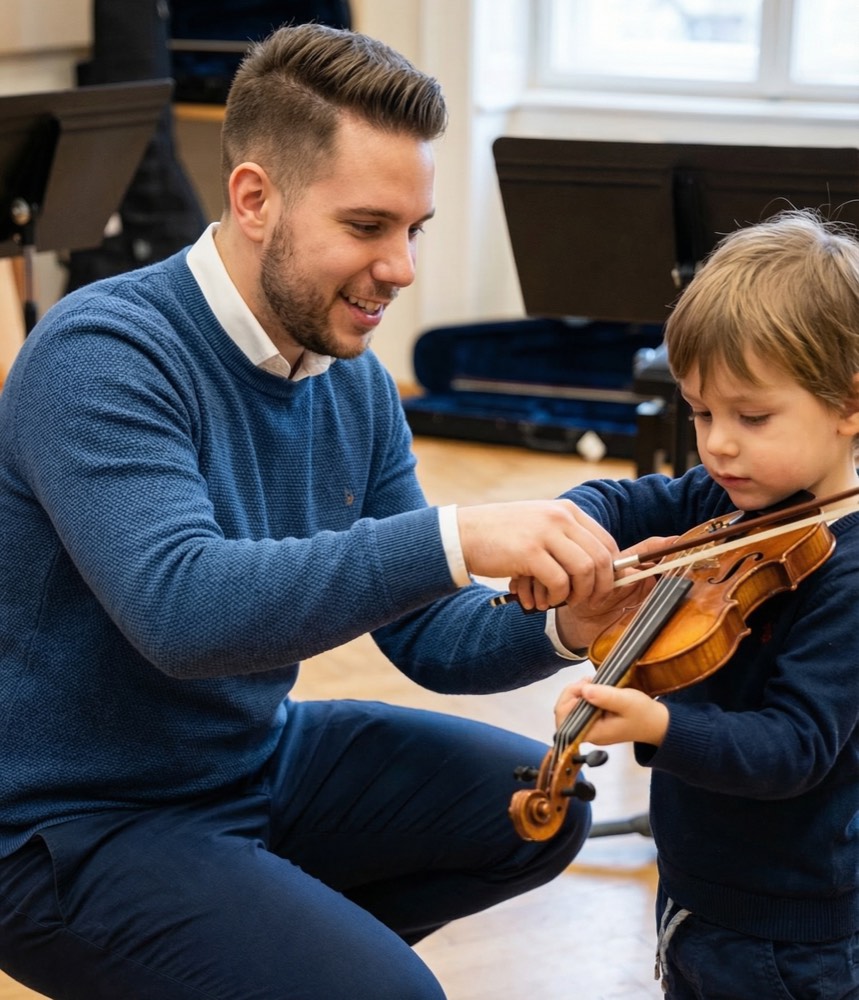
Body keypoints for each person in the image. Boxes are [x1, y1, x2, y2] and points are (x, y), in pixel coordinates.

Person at [0, 22, 657, 1000]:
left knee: (536, 805)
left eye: (413, 229)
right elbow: (183, 613)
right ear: (255, 198)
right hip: (67, 824)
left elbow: (431, 637)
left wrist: (568, 624)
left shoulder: (347, 377)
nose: (401, 267)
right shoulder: (102, 354)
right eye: (366, 226)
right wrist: (460, 534)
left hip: (247, 764)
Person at [539, 209, 859, 999]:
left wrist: (657, 725)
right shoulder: (734, 497)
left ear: (849, 406)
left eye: (750, 417)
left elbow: (791, 747)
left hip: (788, 933)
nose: (716, 445)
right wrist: (560, 533)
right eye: (700, 412)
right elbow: (621, 499)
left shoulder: (847, 575)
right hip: (698, 887)